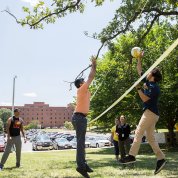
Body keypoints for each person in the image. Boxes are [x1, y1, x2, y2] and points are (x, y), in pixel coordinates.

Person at [120, 53, 166, 175]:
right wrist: (139, 58)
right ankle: (161, 158)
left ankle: (132, 156)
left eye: (150, 71)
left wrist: (138, 88)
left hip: (150, 113)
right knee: (150, 138)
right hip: (151, 114)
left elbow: (145, 99)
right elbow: (139, 70)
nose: (148, 72)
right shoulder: (147, 80)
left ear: (153, 75)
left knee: (139, 132)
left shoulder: (155, 88)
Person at [72, 56, 96, 178]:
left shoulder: (85, 91)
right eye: (84, 81)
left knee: (82, 143)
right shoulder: (82, 89)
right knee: (80, 143)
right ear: (81, 84)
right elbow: (91, 76)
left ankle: (83, 164)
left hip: (80, 118)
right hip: (79, 118)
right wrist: (94, 64)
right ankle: (80, 167)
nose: (86, 82)